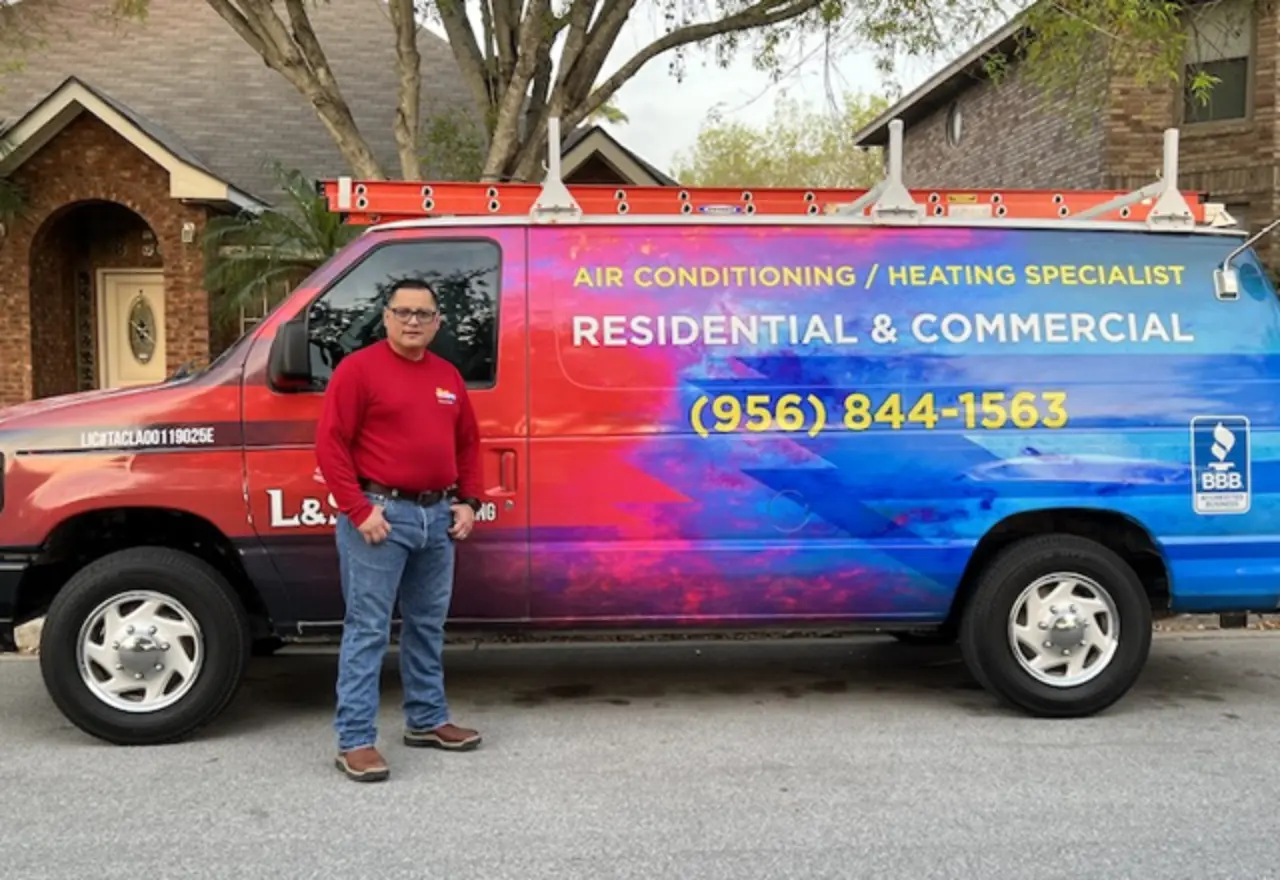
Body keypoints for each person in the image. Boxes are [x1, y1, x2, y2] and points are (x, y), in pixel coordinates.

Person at [315, 277, 484, 783]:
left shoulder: (447, 377)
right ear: (385, 316)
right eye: (403, 312)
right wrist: (358, 509)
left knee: (427, 625)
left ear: (437, 322)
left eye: (423, 314)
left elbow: (468, 445)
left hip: (437, 517)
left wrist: (469, 501)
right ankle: (356, 740)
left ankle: (427, 721)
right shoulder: (358, 370)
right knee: (367, 629)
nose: (413, 321)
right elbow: (331, 445)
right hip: (380, 516)